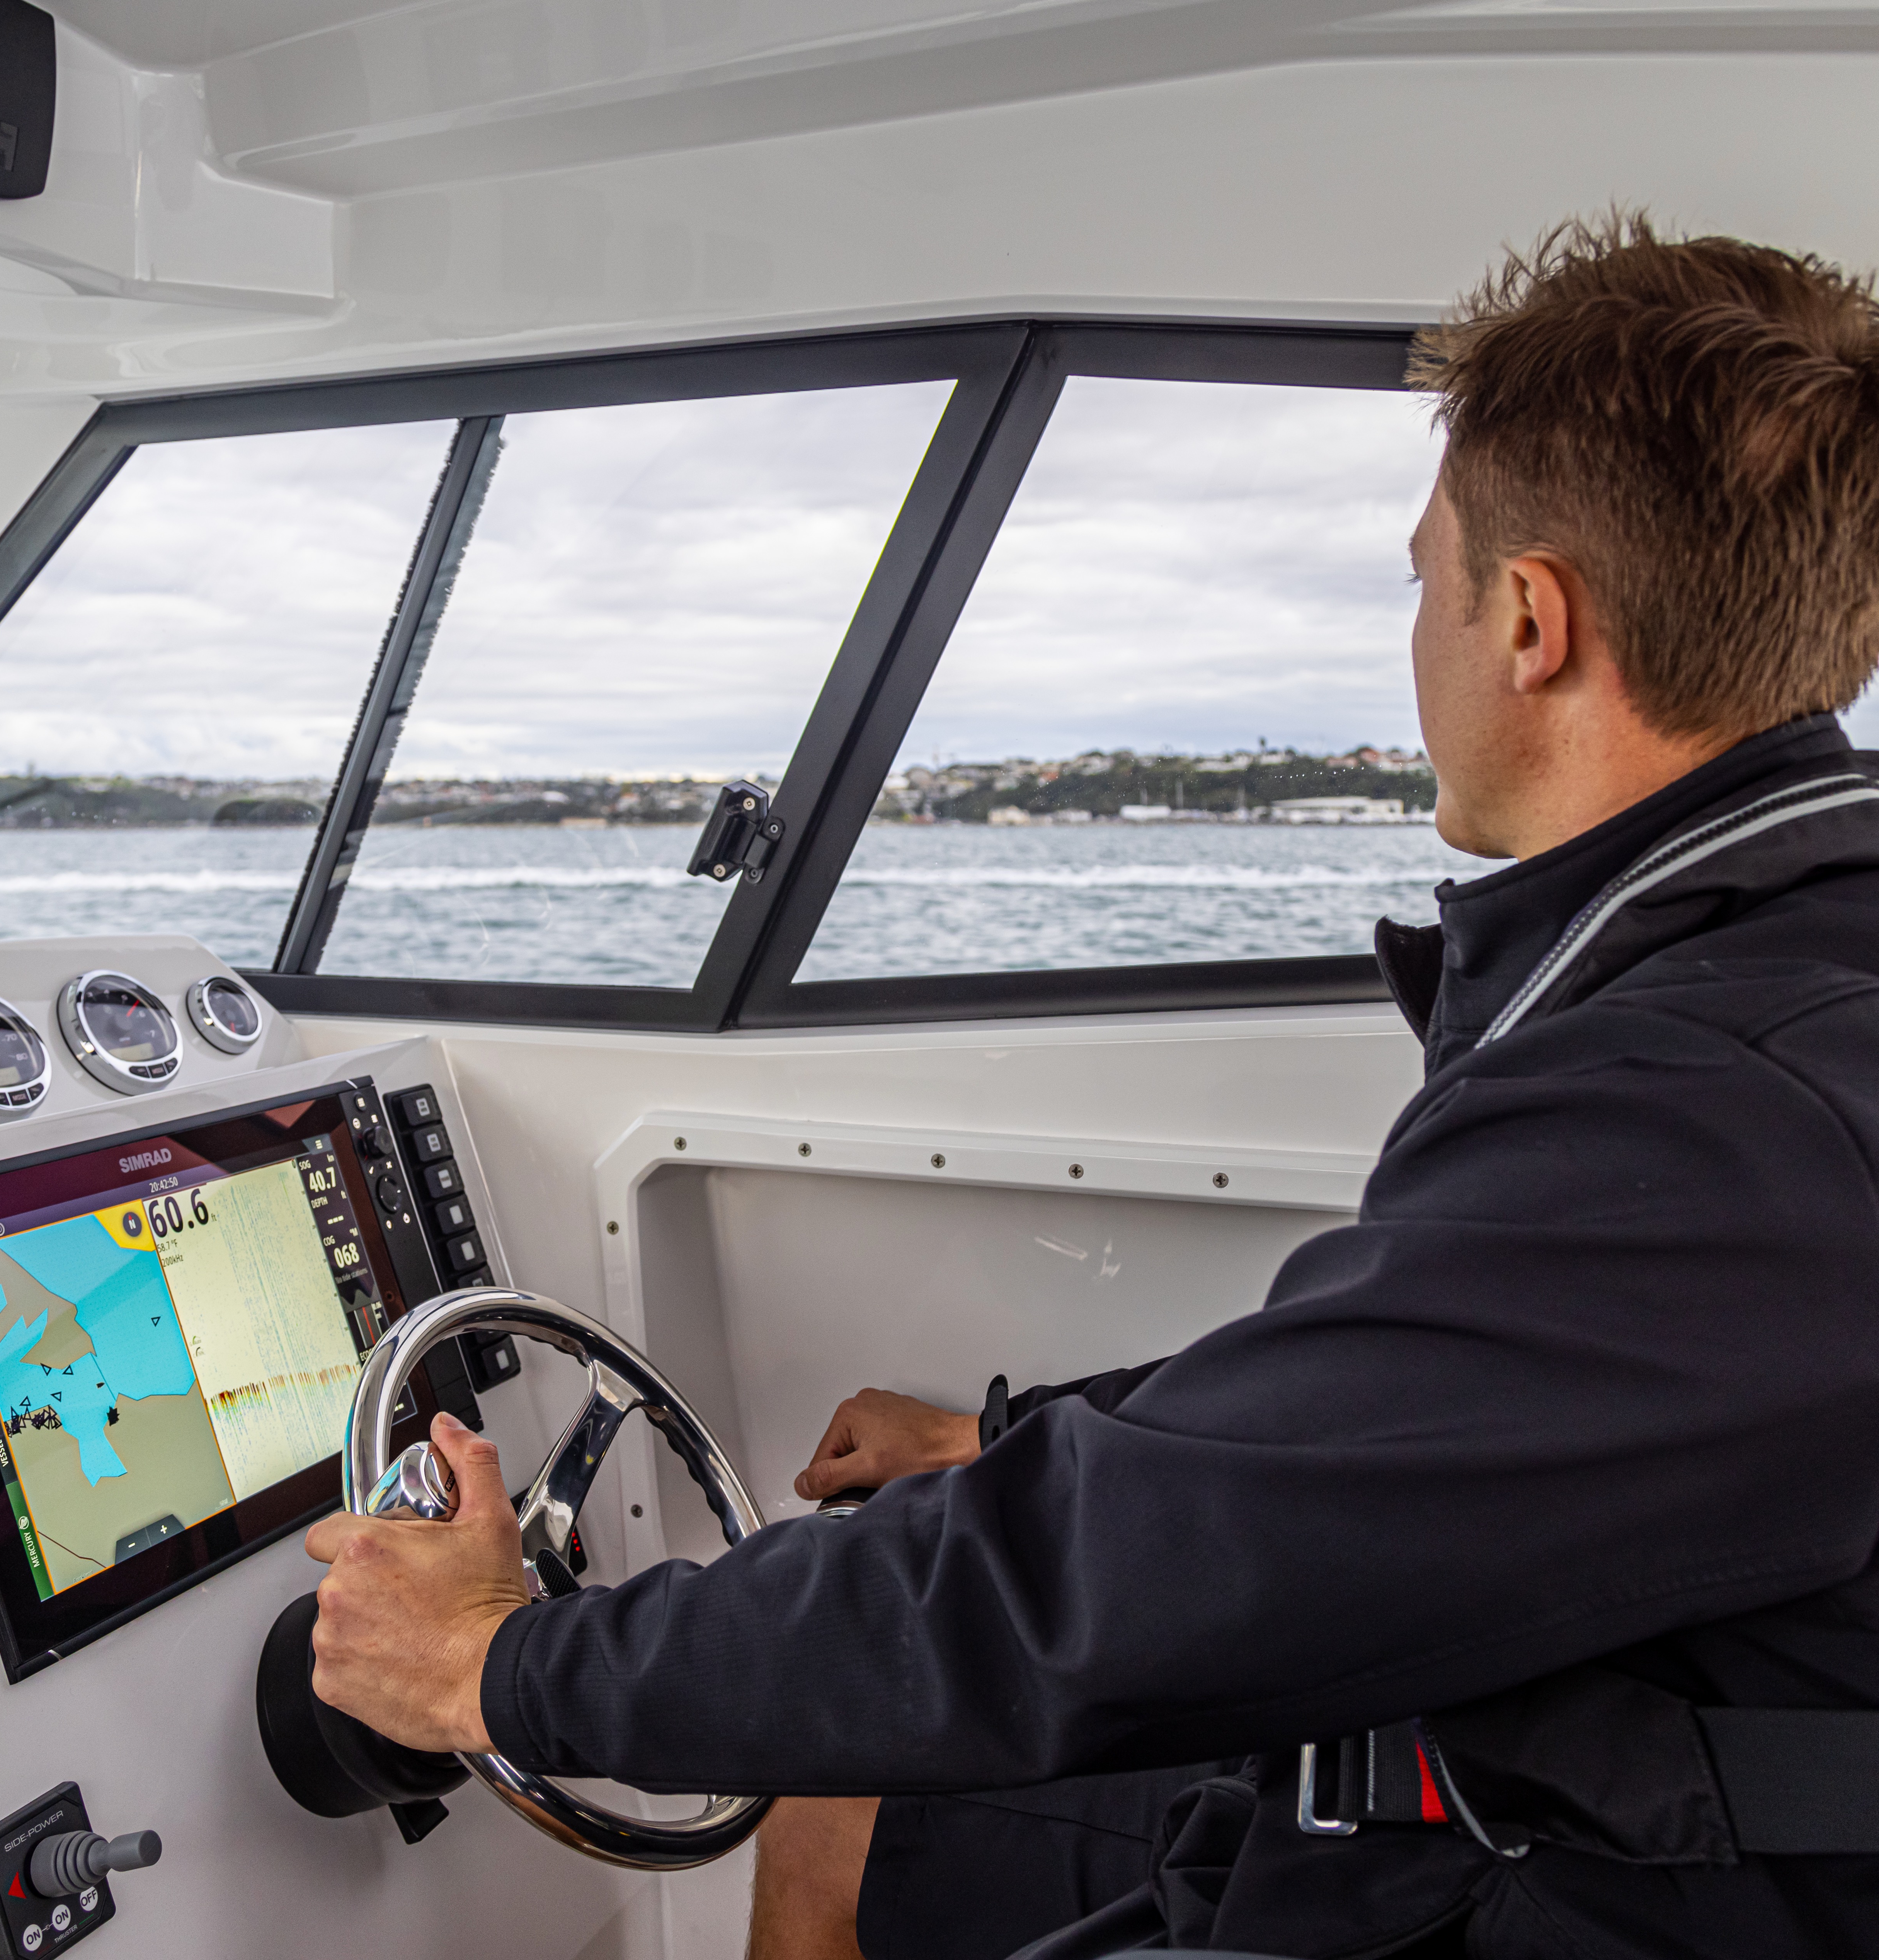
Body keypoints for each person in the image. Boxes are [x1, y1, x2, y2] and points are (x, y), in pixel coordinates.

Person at [301, 214, 1879, 1959]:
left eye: (1424, 577)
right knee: (847, 1786)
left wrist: (497, 1663)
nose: (1418, 629)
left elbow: (1124, 1580)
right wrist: (1005, 1435)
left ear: (1525, 619)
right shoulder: (1747, 979)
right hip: (1567, 1752)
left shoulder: (1722, 1104)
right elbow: (1401, 1396)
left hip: (1639, 1880)